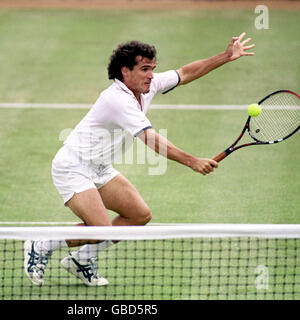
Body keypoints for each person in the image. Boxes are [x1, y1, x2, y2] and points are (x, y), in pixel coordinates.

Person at [24, 32, 255, 286]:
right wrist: (192, 161)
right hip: (73, 167)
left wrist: (226, 56)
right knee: (101, 230)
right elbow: (150, 138)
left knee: (138, 215)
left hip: (100, 168)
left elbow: (185, 73)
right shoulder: (117, 99)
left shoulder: (147, 86)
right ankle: (41, 244)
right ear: (125, 71)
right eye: (145, 69)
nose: (151, 75)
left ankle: (82, 260)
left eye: (153, 68)